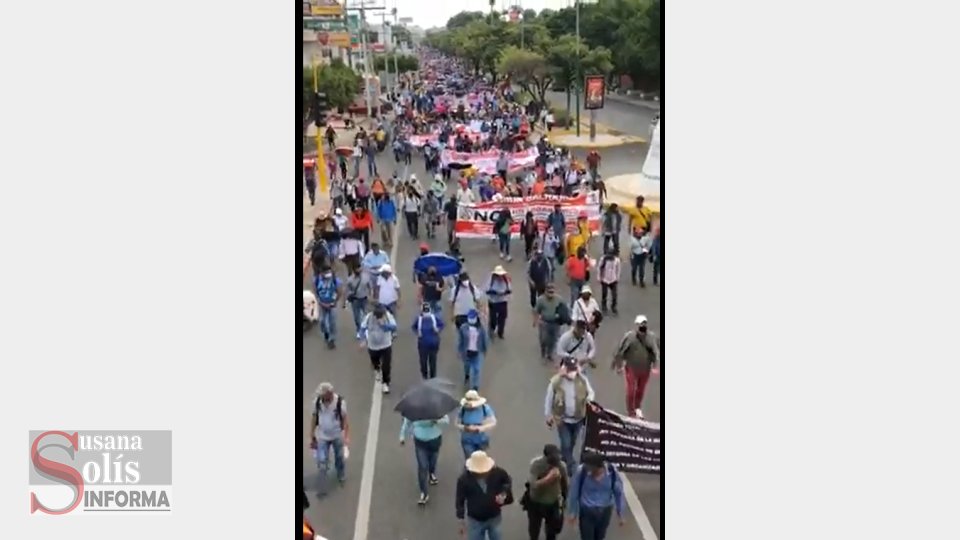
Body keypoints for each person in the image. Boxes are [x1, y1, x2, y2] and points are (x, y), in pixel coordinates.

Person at [545, 357, 596, 475]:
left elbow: (591, 392)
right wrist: (548, 415)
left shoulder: (582, 379)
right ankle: (570, 465)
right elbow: (549, 400)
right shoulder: (556, 382)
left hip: (578, 419)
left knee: (572, 442)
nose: (572, 373)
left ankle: (564, 459)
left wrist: (589, 400)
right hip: (562, 419)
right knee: (566, 442)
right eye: (569, 369)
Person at [456, 450, 513, 540]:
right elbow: (460, 500)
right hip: (475, 520)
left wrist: (504, 493)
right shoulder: (464, 480)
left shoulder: (498, 473)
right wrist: (461, 520)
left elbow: (507, 482)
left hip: (494, 517)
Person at [567, 452, 625, 540]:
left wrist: (620, 513)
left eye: (589, 466)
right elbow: (574, 491)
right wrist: (573, 512)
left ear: (597, 467)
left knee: (600, 537)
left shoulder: (611, 471)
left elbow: (618, 492)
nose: (586, 468)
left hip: (605, 511)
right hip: (587, 511)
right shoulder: (582, 471)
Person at [612, 314, 660, 417]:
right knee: (631, 390)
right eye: (640, 325)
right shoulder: (629, 337)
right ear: (636, 326)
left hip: (645, 369)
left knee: (640, 390)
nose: (642, 327)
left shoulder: (651, 337)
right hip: (631, 368)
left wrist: (655, 365)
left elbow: (656, 351)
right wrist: (618, 365)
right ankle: (631, 411)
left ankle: (637, 407)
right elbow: (620, 351)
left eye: (644, 324)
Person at [310, 382, 350, 496]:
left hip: (337, 435)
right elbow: (314, 418)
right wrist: (311, 435)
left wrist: (346, 435)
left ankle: (341, 474)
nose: (321, 397)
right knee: (321, 460)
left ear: (330, 394)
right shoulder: (317, 402)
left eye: (323, 395)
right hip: (322, 436)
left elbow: (345, 420)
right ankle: (323, 483)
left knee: (339, 457)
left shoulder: (340, 402)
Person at [400, 413, 449, 505]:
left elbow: (446, 421)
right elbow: (407, 422)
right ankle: (424, 493)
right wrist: (402, 436)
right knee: (422, 466)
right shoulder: (415, 410)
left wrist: (436, 421)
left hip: (435, 441)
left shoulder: (436, 409)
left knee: (432, 461)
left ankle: (431, 473)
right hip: (420, 442)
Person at [524, 444, 568, 540]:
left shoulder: (561, 465)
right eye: (551, 461)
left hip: (552, 502)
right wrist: (548, 479)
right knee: (534, 530)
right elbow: (533, 484)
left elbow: (565, 484)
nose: (553, 464)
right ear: (545, 457)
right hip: (536, 501)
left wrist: (564, 499)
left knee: (552, 532)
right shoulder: (536, 464)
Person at [357, 303, 398, 394]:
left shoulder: (388, 316)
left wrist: (384, 325)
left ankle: (386, 383)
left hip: (386, 344)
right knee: (375, 363)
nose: (379, 317)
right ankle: (377, 369)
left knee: (386, 365)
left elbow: (394, 327)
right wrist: (363, 340)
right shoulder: (368, 317)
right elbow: (362, 329)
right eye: (377, 315)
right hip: (373, 346)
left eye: (381, 315)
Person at [534, 283, 569, 363]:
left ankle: (550, 354)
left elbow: (565, 309)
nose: (550, 294)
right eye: (549, 292)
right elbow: (536, 310)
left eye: (552, 292)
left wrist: (565, 318)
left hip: (555, 323)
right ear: (545, 292)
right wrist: (536, 320)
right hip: (544, 322)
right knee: (543, 339)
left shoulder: (559, 299)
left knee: (553, 340)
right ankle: (543, 351)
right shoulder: (541, 300)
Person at [412, 302, 444, 379]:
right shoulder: (419, 319)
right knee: (423, 362)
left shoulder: (434, 318)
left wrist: (438, 330)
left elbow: (442, 325)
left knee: (432, 362)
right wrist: (417, 333)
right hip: (423, 344)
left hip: (433, 344)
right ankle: (425, 376)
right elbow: (413, 327)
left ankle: (432, 377)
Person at [458, 309, 488, 389]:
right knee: (467, 366)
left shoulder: (481, 329)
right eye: (469, 318)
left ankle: (475, 386)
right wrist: (459, 351)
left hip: (477, 352)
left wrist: (485, 349)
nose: (471, 320)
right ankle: (467, 374)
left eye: (472, 318)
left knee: (477, 369)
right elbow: (460, 340)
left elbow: (484, 339)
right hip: (467, 352)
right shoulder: (463, 328)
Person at [313, 267, 342, 349]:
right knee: (322, 321)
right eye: (326, 272)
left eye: (329, 272)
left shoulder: (335, 280)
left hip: (332, 304)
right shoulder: (317, 280)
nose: (328, 274)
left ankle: (332, 339)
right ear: (321, 273)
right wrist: (320, 302)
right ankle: (326, 333)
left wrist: (335, 302)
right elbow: (315, 292)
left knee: (332, 322)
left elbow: (340, 291)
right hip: (322, 304)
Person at [484, 265, 512, 340]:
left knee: (502, 318)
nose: (500, 276)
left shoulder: (506, 279)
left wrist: (505, 292)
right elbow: (486, 290)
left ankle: (500, 332)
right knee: (493, 318)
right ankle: (492, 330)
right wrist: (494, 292)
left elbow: (509, 289)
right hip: (493, 302)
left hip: (503, 301)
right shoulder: (491, 280)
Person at [344, 264, 370, 332]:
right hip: (355, 300)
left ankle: (366, 328)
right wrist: (345, 300)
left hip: (364, 299)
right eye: (357, 268)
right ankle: (359, 329)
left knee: (367, 315)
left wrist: (371, 295)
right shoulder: (350, 279)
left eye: (359, 268)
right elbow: (346, 290)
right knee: (356, 317)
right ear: (354, 270)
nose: (358, 270)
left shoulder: (366, 277)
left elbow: (369, 286)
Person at [598, 249, 621, 315]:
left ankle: (613, 306)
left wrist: (617, 278)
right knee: (604, 294)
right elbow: (599, 268)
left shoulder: (617, 260)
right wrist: (599, 277)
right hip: (605, 279)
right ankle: (604, 305)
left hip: (613, 279)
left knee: (614, 295)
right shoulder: (603, 259)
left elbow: (618, 269)